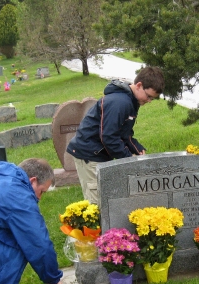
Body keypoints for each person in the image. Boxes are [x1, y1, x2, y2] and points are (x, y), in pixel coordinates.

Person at [66, 66, 165, 204]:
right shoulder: (120, 102)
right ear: (139, 85)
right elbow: (109, 137)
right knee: (97, 204)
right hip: (89, 155)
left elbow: (125, 135)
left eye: (152, 99)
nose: (149, 101)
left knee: (107, 200)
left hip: (100, 153)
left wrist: (137, 150)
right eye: (148, 96)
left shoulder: (130, 101)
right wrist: (129, 158)